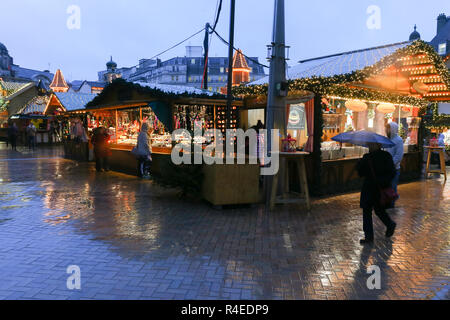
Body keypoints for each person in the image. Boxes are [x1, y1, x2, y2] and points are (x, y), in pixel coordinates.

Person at [357, 142, 397, 245]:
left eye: (371, 145)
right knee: (377, 210)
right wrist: (384, 182)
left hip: (371, 188)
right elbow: (392, 172)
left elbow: (360, 173)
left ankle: (370, 236)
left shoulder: (367, 157)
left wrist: (359, 164)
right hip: (379, 188)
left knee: (370, 211)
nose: (370, 147)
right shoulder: (386, 156)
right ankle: (388, 225)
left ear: (378, 145)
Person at [385, 122, 404, 207]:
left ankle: (391, 203)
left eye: (389, 128)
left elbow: (398, 155)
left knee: (392, 186)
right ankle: (387, 202)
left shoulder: (398, 140)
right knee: (387, 186)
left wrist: (390, 163)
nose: (387, 130)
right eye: (386, 128)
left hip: (394, 168)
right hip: (387, 168)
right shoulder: (387, 139)